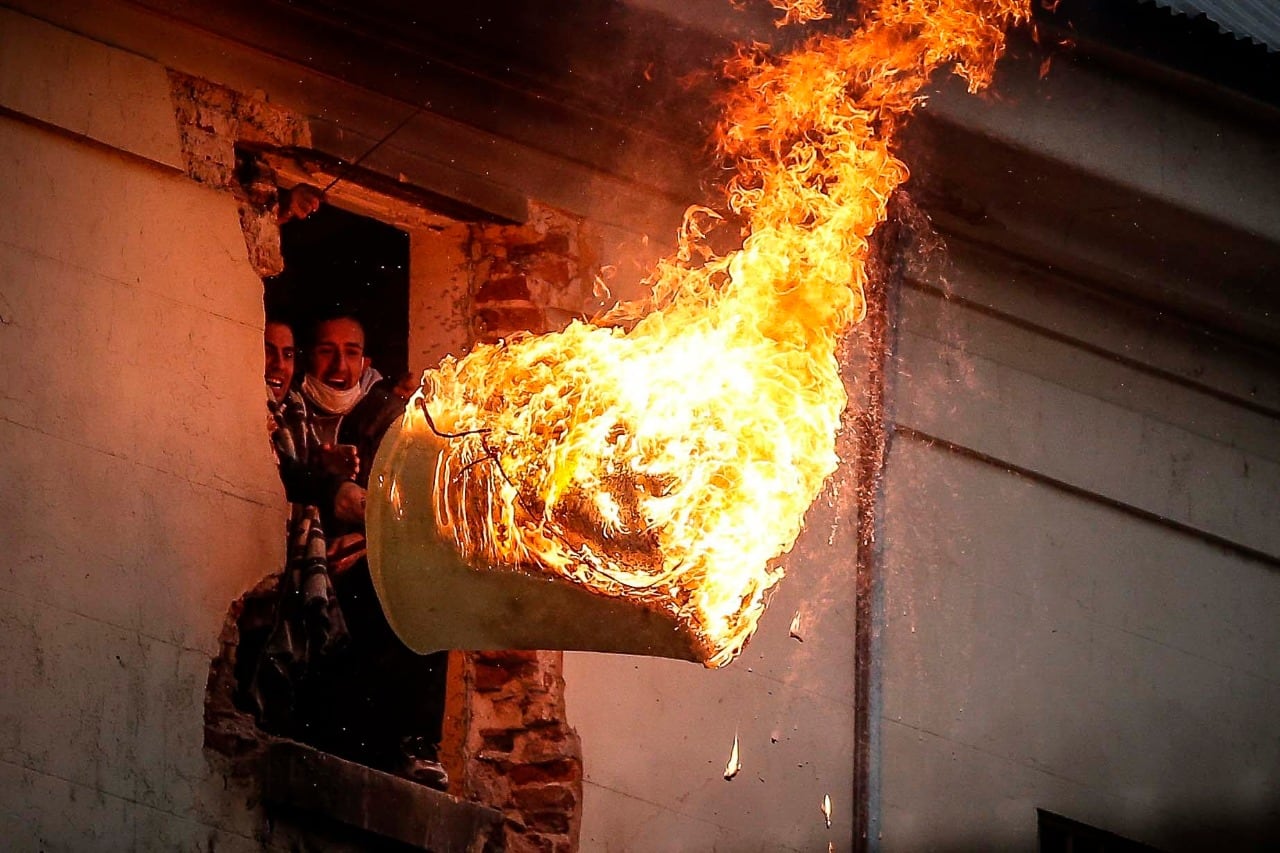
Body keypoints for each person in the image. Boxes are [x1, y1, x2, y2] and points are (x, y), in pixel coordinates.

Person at [297, 311, 449, 789]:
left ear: (367, 361)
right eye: (326, 350)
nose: (339, 365)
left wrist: (370, 537)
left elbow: (408, 507)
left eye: (352, 352)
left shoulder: (386, 417)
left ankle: (415, 745)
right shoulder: (287, 409)